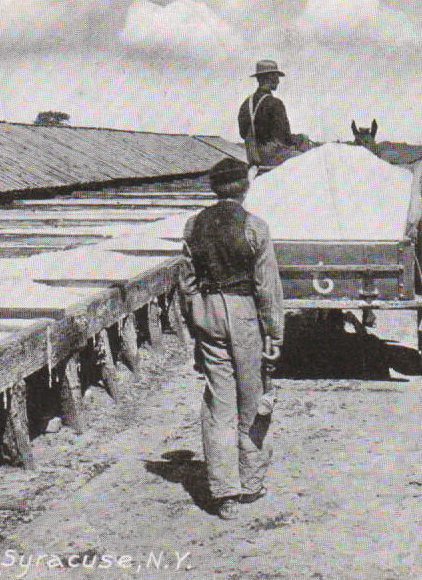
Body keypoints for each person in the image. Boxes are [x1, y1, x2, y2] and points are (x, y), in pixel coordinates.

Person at [179, 157, 285, 519]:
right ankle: (252, 482)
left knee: (218, 402)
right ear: (245, 187)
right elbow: (267, 287)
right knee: (252, 397)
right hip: (245, 316)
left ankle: (224, 493)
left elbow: (186, 283)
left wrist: (197, 318)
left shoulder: (194, 226)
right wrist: (274, 333)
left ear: (213, 188)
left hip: (208, 313)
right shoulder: (255, 227)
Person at [238, 60, 307, 176]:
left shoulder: (246, 104)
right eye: (276, 77)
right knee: (308, 155)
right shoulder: (275, 103)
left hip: (253, 157)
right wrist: (301, 140)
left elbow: (242, 133)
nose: (279, 81)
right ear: (269, 77)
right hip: (273, 157)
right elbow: (285, 138)